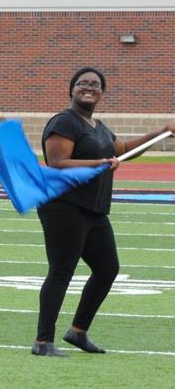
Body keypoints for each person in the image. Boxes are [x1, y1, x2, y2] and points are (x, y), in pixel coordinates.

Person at [32, 67, 175, 357]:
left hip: (93, 209)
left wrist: (161, 132)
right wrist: (99, 162)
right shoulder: (65, 122)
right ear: (71, 89)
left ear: (101, 93)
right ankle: (43, 342)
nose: (89, 87)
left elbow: (122, 150)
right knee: (62, 271)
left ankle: (78, 331)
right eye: (82, 83)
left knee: (107, 269)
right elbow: (57, 161)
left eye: (95, 84)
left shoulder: (98, 127)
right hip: (64, 206)